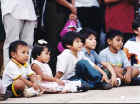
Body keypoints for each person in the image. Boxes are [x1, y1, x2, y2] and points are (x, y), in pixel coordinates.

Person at [1, 0, 37, 67]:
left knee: (28, 44)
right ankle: (10, 73)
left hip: (29, 9)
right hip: (12, 7)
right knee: (12, 42)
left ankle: (26, 71)